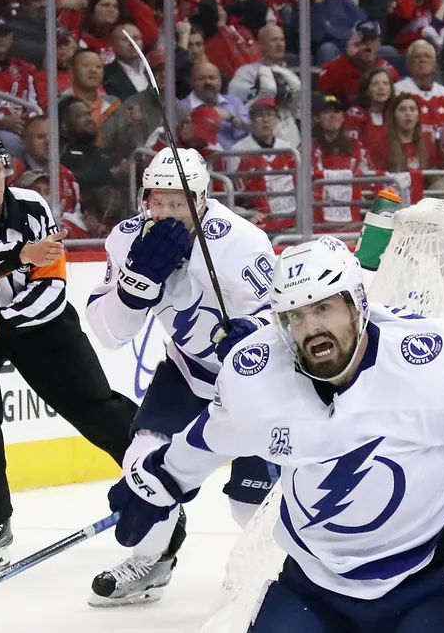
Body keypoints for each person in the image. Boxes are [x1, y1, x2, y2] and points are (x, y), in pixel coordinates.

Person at [105, 237, 444, 632]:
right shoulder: (256, 374)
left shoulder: (438, 362)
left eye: (324, 309)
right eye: (294, 316)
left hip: (436, 576)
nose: (311, 329)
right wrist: (164, 480)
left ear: (358, 305)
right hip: (314, 586)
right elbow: (217, 433)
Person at [0, 129, 137, 572]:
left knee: (96, 405)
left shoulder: (34, 206)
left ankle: (156, 476)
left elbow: (52, 289)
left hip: (36, 323)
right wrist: (25, 253)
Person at [84, 148, 277, 605]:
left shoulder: (240, 243)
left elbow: (281, 316)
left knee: (251, 505)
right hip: (187, 374)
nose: (167, 212)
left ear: (203, 200)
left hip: (251, 383)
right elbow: (112, 333)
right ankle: (152, 560)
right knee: (143, 464)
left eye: (180, 203)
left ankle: (283, 571)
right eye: (159, 201)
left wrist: (250, 337)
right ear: (144, 199)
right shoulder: (127, 241)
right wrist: (136, 285)